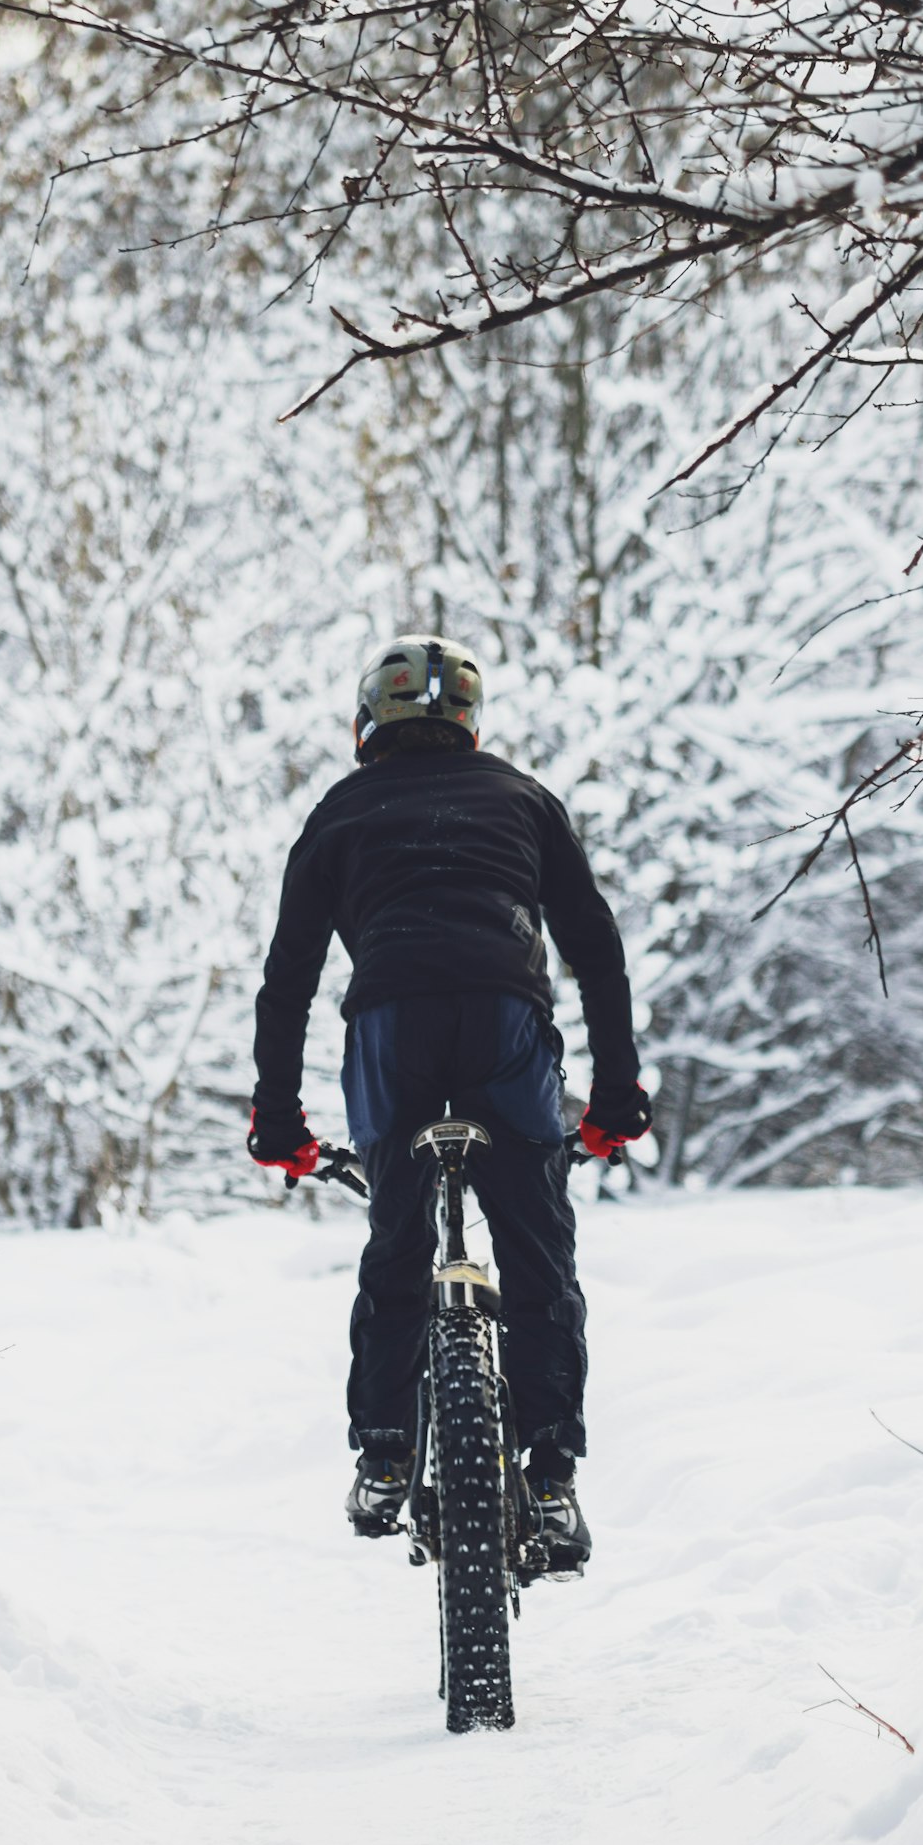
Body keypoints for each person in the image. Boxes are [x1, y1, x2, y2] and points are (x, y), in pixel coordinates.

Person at [246, 634, 651, 1568]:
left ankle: (385, 1457)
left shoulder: (339, 813)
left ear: (367, 722)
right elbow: (597, 950)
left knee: (396, 1244)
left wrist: (278, 1119)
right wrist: (615, 1096)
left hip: (393, 1030)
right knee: (539, 1251)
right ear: (471, 721)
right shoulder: (522, 799)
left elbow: (288, 980)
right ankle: (549, 1480)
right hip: (504, 1021)